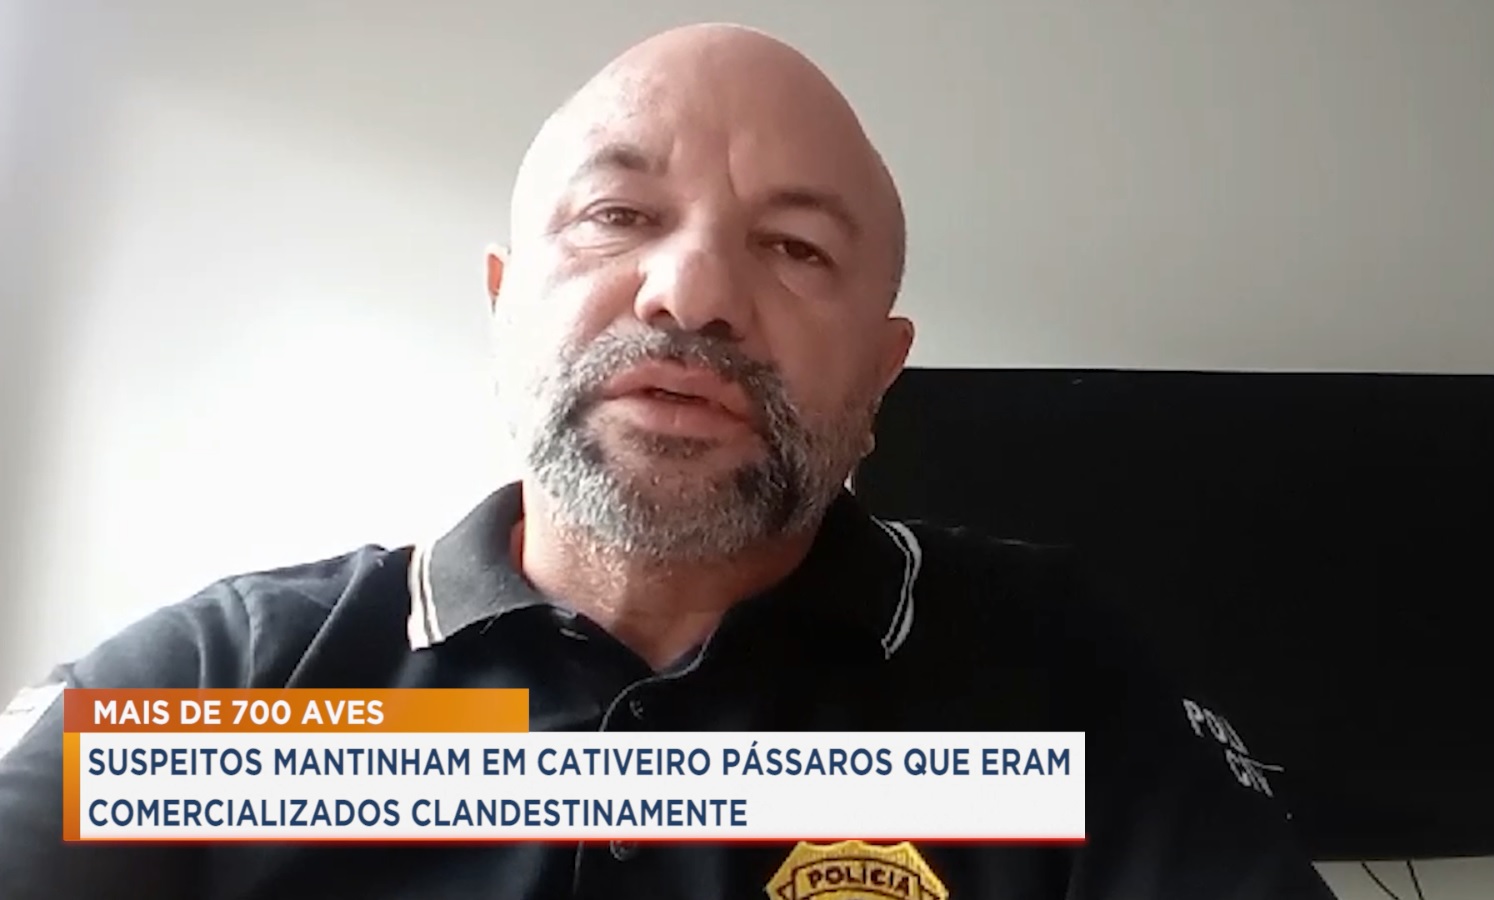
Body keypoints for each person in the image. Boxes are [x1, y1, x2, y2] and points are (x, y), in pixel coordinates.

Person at [0, 22, 1336, 900]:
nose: (692, 294)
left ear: (881, 376)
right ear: (504, 305)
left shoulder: (1055, 688)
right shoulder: (227, 689)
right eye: (618, 214)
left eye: (796, 248)